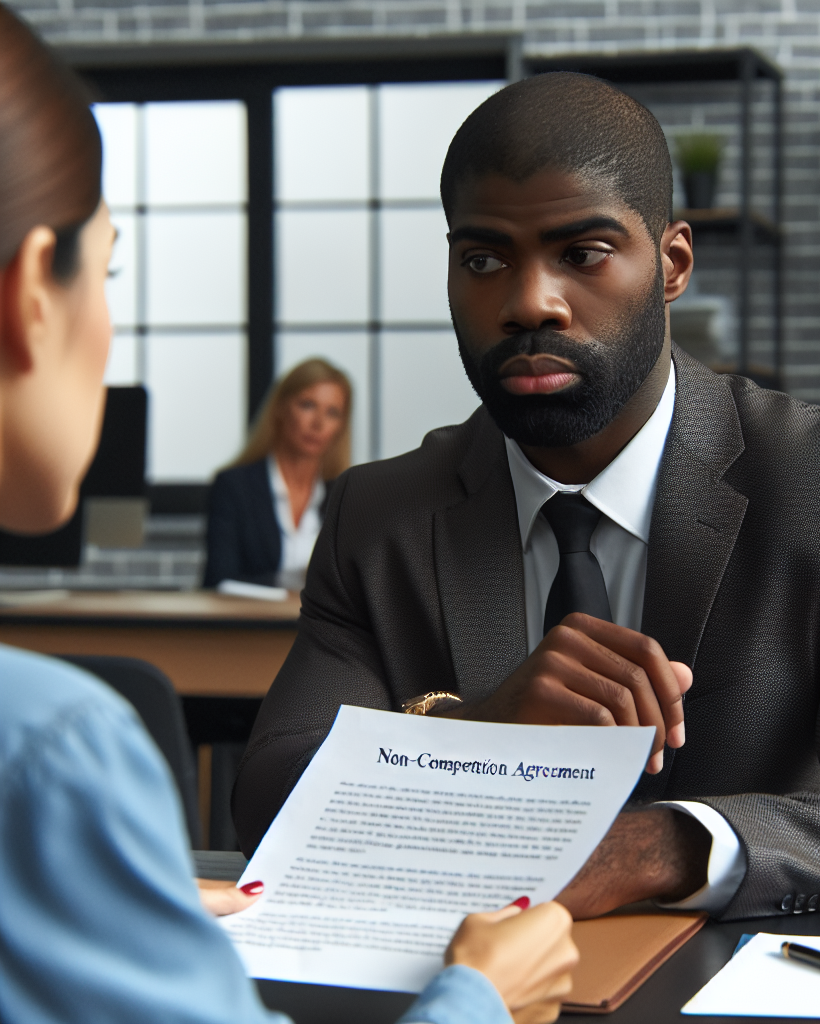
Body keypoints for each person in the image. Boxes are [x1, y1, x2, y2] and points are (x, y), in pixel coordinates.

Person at [233, 72, 820, 923]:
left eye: (583, 253)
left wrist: (655, 848)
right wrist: (477, 733)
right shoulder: (378, 515)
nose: (530, 301)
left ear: (672, 264)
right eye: (483, 260)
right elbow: (269, 795)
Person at [0, 8, 578, 1023]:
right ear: (31, 299)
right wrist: (481, 995)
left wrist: (83, 907)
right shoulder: (51, 753)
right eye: (110, 270)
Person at [203, 358, 351, 590]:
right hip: (252, 623)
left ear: (341, 425)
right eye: (307, 405)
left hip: (323, 626)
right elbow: (219, 581)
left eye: (332, 412)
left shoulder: (346, 496)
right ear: (280, 408)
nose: (318, 423)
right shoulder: (234, 487)